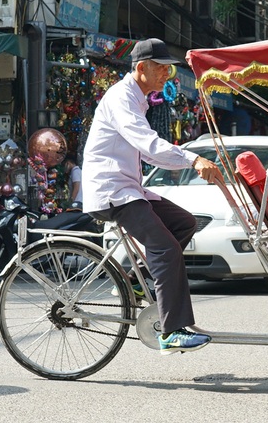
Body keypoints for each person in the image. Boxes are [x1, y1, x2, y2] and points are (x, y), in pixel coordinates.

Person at [82, 38, 223, 356]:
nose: (166, 74)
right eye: (161, 68)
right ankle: (172, 331)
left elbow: (150, 152)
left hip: (129, 188)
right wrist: (191, 159)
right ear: (141, 68)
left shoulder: (139, 99)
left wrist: (190, 160)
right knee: (165, 247)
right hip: (112, 191)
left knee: (184, 223)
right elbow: (147, 143)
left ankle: (136, 281)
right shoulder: (122, 98)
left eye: (168, 69)